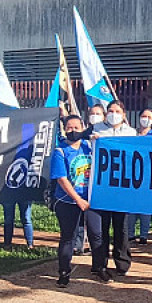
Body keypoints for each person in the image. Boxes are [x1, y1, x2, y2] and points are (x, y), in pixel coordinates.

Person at [51, 115, 109, 286]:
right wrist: (78, 200)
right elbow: (62, 179)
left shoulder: (89, 147)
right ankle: (64, 272)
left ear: (83, 127)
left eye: (77, 127)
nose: (73, 131)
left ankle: (99, 267)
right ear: (64, 129)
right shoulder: (60, 151)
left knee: (97, 236)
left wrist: (99, 141)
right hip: (67, 201)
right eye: (69, 128)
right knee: (68, 237)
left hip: (91, 200)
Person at [90, 99, 138, 278]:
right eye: (110, 110)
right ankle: (100, 263)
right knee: (102, 227)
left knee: (121, 227)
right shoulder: (97, 131)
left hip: (122, 187)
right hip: (102, 186)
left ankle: (122, 262)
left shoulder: (131, 133)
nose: (113, 114)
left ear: (124, 114)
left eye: (117, 111)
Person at [125, 109, 152, 244]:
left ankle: (144, 235)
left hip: (149, 175)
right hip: (132, 174)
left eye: (149, 117)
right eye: (144, 116)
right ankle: (130, 234)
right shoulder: (131, 134)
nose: (146, 119)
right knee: (131, 207)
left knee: (146, 207)